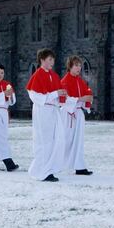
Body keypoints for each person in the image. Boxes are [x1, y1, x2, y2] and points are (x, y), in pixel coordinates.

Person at [26, 49, 67, 182]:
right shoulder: (37, 76)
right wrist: (56, 94)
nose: (52, 62)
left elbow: (57, 95)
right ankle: (42, 171)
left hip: (53, 111)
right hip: (42, 111)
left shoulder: (54, 76)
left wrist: (61, 96)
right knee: (44, 141)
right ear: (42, 60)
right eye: (49, 59)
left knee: (56, 140)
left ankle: (49, 168)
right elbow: (36, 96)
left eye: (53, 60)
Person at [60, 56, 94, 175]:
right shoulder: (65, 81)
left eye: (80, 65)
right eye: (76, 65)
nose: (79, 68)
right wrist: (81, 99)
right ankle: (58, 163)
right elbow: (64, 99)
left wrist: (88, 99)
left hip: (78, 113)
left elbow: (86, 95)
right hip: (68, 114)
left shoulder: (80, 81)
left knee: (78, 141)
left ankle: (79, 166)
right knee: (66, 139)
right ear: (70, 66)